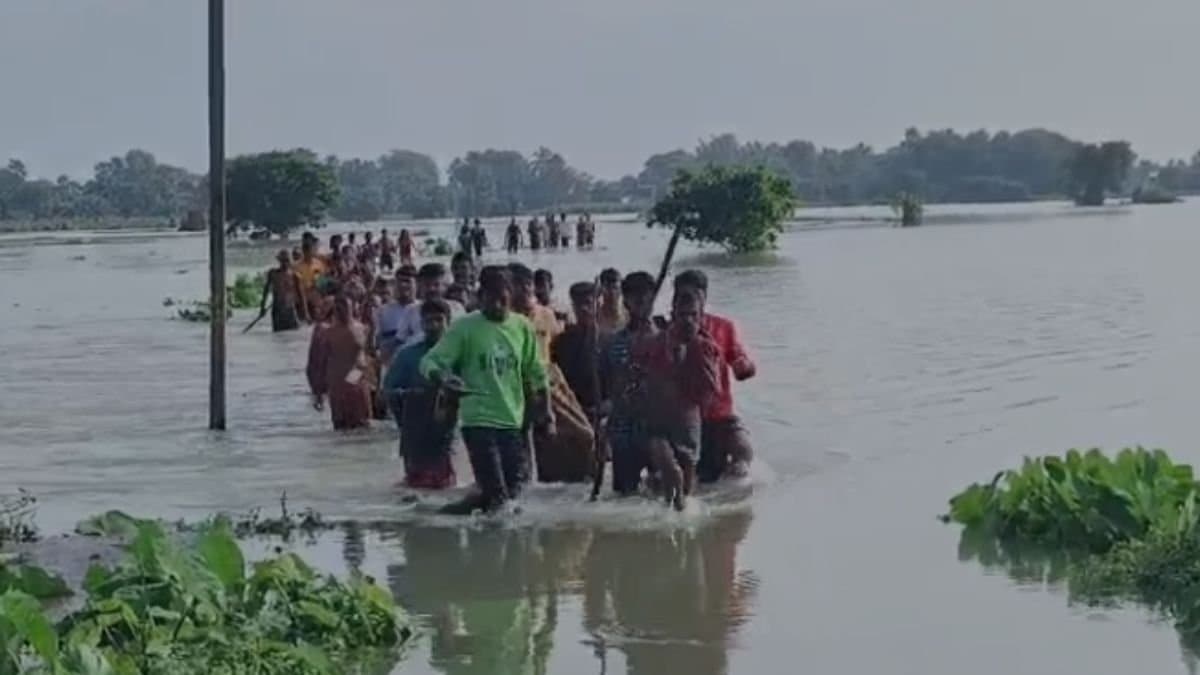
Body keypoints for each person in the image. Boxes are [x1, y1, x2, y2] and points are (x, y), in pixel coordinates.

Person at [419, 266, 552, 511]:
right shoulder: (464, 328)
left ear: (510, 296)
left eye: (503, 299)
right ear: (480, 298)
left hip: (512, 420)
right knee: (498, 496)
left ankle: (442, 515)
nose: (498, 305)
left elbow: (536, 372)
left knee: (512, 495)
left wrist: (546, 411)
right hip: (477, 421)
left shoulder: (522, 327)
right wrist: (444, 378)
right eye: (491, 300)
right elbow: (430, 361)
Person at [634, 287, 721, 510]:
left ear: (701, 318)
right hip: (657, 424)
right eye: (682, 314)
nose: (688, 321)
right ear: (672, 314)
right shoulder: (653, 343)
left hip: (688, 424)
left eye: (693, 315)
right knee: (671, 471)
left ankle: (677, 535)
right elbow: (633, 378)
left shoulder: (706, 348)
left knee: (684, 497)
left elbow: (711, 392)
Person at [674, 270, 757, 482]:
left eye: (695, 294)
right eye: (683, 294)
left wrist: (744, 366)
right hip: (684, 418)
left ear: (704, 297)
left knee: (743, 450)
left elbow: (740, 361)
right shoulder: (666, 331)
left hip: (720, 415)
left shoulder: (723, 327)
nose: (690, 300)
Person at [384, 299, 458, 489]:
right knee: (415, 488)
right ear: (421, 323)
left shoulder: (458, 355)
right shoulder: (407, 355)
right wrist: (413, 395)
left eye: (438, 320)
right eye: (428, 321)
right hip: (414, 434)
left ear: (448, 322)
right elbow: (389, 390)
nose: (433, 326)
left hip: (446, 435)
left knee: (445, 487)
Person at [600, 271, 658, 495]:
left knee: (663, 493)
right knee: (624, 495)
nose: (642, 305)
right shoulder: (613, 343)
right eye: (636, 299)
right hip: (623, 429)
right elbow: (607, 387)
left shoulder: (664, 338)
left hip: (658, 428)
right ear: (626, 302)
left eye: (647, 299)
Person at [307, 294, 374, 430]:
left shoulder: (362, 329)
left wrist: (373, 383)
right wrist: (317, 392)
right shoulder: (327, 333)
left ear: (353, 308)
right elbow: (319, 364)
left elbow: (369, 357)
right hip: (337, 385)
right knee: (340, 427)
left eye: (345, 307)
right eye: (338, 307)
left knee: (363, 425)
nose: (342, 310)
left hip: (357, 383)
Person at [375, 267, 421, 362]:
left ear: (417, 283)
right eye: (398, 282)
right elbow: (377, 342)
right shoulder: (382, 311)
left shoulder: (424, 309)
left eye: (407, 281)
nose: (402, 285)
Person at [259, 249, 308, 332]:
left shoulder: (295, 276)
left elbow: (302, 296)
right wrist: (262, 307)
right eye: (283, 260)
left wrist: (306, 313)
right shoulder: (273, 273)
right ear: (279, 261)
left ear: (290, 261)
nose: (285, 263)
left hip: (290, 309)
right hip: (277, 310)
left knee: (294, 333)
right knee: (278, 334)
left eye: (287, 260)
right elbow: (265, 291)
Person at [293, 239, 328, 320]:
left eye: (309, 250)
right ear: (303, 251)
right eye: (305, 251)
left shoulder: (319, 263)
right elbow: (297, 286)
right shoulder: (296, 266)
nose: (308, 253)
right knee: (302, 321)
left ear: (312, 250)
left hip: (315, 297)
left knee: (316, 320)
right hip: (300, 299)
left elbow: (322, 281)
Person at [597, 268, 627, 337]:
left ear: (621, 290)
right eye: (608, 288)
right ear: (601, 289)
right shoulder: (595, 316)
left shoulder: (629, 316)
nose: (612, 292)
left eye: (615, 288)